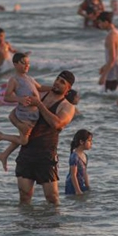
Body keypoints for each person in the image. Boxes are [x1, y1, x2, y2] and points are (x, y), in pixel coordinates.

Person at [14, 71, 77, 205]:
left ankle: (53, 225)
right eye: (57, 79)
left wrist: (39, 105)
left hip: (46, 154)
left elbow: (57, 123)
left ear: (68, 88)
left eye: (62, 82)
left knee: (52, 198)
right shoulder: (39, 95)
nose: (57, 83)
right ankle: (24, 224)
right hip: (27, 151)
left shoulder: (67, 107)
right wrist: (20, 125)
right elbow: (14, 113)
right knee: (24, 197)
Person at [0, 54, 50, 170]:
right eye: (23, 63)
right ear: (15, 64)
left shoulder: (30, 78)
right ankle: (1, 136)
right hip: (24, 114)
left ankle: (4, 155)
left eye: (28, 63)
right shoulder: (14, 79)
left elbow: (40, 87)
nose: (27, 65)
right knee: (24, 140)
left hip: (33, 114)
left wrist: (53, 88)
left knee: (22, 138)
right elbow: (7, 97)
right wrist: (19, 99)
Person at [97, 11, 118, 91]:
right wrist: (105, 66)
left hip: (115, 69)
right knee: (110, 92)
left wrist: (103, 76)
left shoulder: (111, 36)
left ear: (106, 22)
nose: (99, 25)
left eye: (100, 23)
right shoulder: (116, 32)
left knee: (108, 93)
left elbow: (112, 58)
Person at [65, 129, 92, 195]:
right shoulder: (74, 156)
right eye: (89, 141)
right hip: (72, 185)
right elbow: (73, 175)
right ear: (81, 142)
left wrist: (87, 186)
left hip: (80, 183)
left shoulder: (85, 156)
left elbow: (85, 173)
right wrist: (77, 190)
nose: (91, 143)